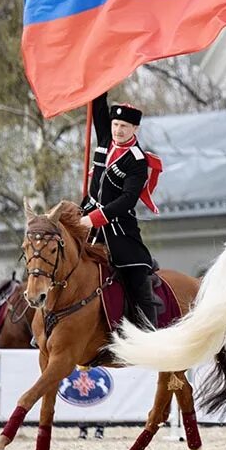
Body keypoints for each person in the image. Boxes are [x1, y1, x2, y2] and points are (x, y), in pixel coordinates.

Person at [80, 92, 163, 329]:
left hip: (118, 228)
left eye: (124, 126)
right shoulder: (105, 138)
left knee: (136, 274)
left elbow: (128, 200)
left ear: (135, 128)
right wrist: (97, 77)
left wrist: (94, 220)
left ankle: (149, 331)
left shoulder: (137, 160)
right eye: (115, 124)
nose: (118, 130)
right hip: (86, 213)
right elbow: (97, 104)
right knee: (54, 252)